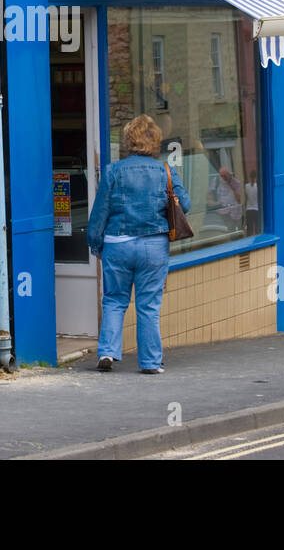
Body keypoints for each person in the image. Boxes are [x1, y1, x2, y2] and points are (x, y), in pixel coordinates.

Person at [87, 114, 188, 375]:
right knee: (148, 305)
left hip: (117, 244)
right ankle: (151, 363)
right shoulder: (165, 171)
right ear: (154, 141)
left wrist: (95, 244)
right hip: (153, 246)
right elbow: (184, 205)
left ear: (129, 141)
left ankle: (107, 351)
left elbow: (100, 213)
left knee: (113, 300)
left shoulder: (113, 171)